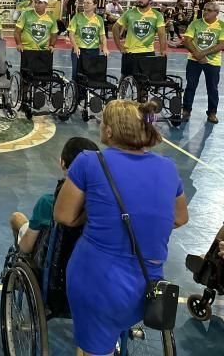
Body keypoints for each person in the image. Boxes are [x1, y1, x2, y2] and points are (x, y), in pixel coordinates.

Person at [55, 100, 188, 356]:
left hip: (98, 282)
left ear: (109, 131)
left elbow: (64, 216)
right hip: (147, 284)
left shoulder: (88, 162)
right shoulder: (168, 168)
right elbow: (180, 218)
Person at [9, 137, 99, 254]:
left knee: (16, 218)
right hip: (84, 255)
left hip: (51, 261)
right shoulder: (99, 202)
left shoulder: (47, 202)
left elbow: (27, 248)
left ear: (62, 163)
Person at [181, 1, 224, 124]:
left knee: (212, 88)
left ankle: (212, 113)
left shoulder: (222, 25)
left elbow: (221, 44)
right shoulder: (195, 23)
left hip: (213, 62)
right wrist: (198, 55)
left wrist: (202, 54)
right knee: (190, 86)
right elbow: (187, 41)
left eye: (209, 10)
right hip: (194, 60)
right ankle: (186, 110)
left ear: (216, 13)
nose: (206, 12)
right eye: (205, 9)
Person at [112, 0, 167, 77]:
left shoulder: (157, 15)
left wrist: (163, 49)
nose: (140, 0)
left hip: (147, 53)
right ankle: (121, 91)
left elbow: (162, 34)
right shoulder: (129, 12)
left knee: (144, 84)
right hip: (130, 53)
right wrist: (120, 47)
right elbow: (115, 27)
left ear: (150, 1)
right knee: (124, 80)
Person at [68, 0, 109, 79]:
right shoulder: (77, 17)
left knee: (90, 74)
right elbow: (71, 34)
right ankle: (77, 91)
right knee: (76, 74)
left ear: (94, 5)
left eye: (88, 3)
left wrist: (105, 47)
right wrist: (75, 47)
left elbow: (102, 35)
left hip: (93, 50)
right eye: (84, 3)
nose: (85, 5)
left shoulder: (99, 19)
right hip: (79, 50)